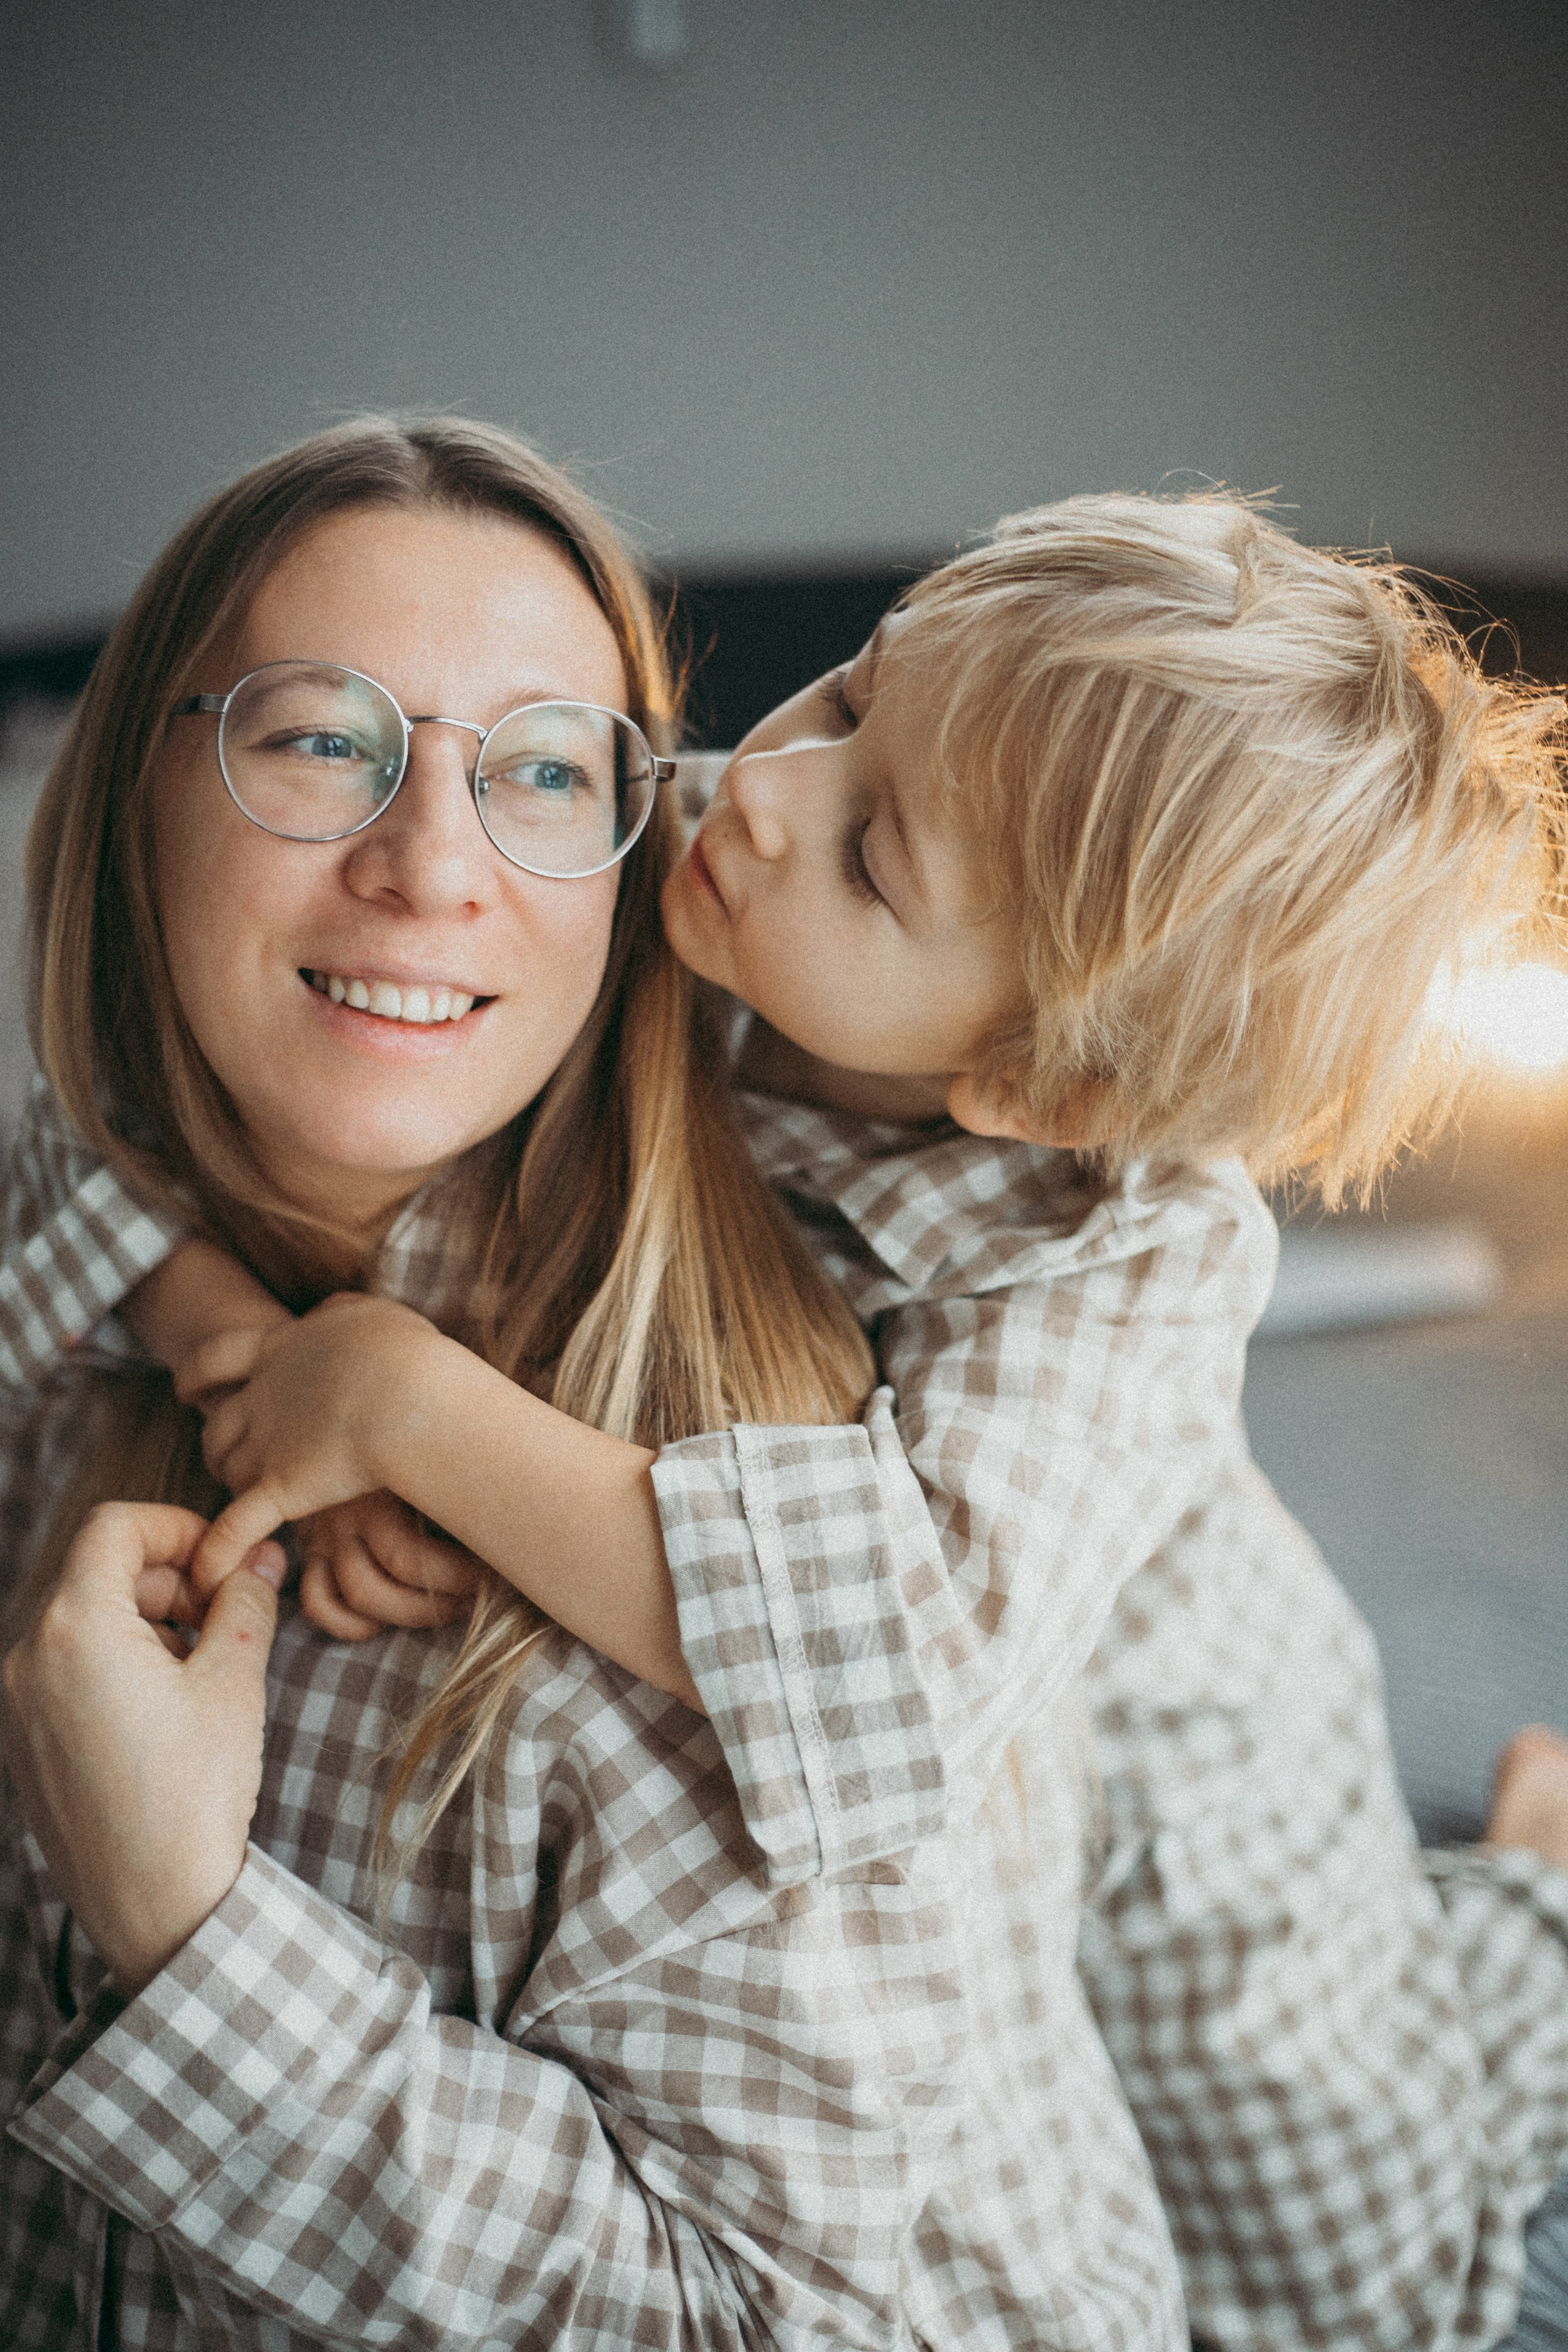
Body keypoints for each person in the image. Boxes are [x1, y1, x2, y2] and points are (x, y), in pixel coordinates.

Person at [17, 488, 1568, 2351]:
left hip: (1166, 1708)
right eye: (845, 691)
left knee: (1332, 2205)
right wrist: (249, 1352)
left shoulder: (1126, 1257)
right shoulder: (682, 857)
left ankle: (1527, 1934)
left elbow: (876, 1678)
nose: (764, 787)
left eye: (877, 852)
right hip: (924, 1663)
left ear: (1033, 1081)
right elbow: (101, 1139)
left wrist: (416, 1415)